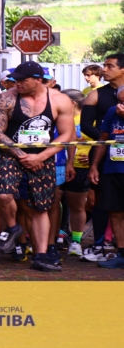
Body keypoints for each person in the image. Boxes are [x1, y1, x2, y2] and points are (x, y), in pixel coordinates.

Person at [0, 61, 75, 272]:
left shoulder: (59, 100)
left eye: (22, 80)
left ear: (38, 79)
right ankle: (13, 227)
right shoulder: (6, 98)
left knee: (41, 207)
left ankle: (42, 255)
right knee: (3, 195)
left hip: (43, 157)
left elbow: (67, 134)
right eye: (15, 80)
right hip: (12, 154)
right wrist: (21, 155)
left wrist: (41, 156)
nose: (17, 84)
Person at [80, 54, 124, 262]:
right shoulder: (95, 95)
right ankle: (98, 244)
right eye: (104, 65)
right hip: (103, 153)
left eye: (109, 66)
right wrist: (110, 140)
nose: (104, 69)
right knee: (99, 201)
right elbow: (86, 126)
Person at [88, 85, 124, 269]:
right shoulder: (112, 111)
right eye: (121, 101)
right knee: (115, 211)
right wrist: (94, 166)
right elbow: (102, 139)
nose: (122, 106)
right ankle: (122, 253)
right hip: (113, 169)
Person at [62, 89, 91, 257]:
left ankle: (76, 241)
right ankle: (54, 237)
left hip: (81, 167)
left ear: (72, 103)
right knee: (52, 204)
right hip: (59, 165)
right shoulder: (59, 118)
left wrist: (91, 157)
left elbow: (100, 141)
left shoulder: (88, 121)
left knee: (77, 205)